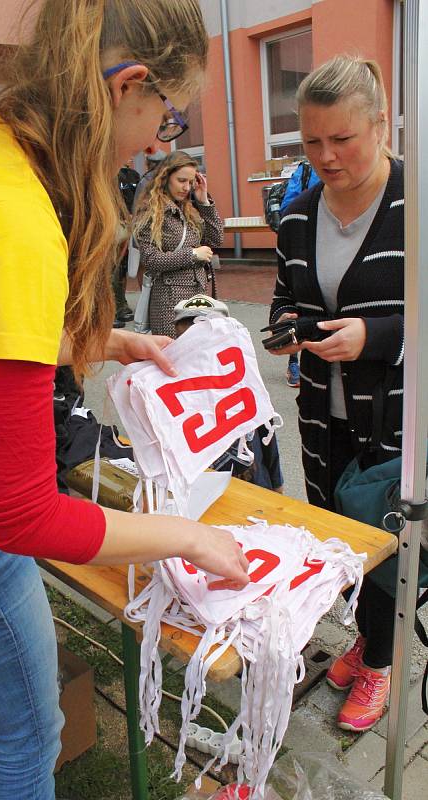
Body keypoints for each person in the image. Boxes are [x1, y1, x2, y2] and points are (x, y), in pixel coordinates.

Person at [0, 3, 250, 798]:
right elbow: (24, 517)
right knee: (27, 732)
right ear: (128, 88)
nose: (162, 140)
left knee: (10, 719)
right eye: (168, 113)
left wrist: (99, 343)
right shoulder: (10, 220)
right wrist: (184, 537)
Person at [268, 55, 404, 733]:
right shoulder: (296, 217)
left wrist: (377, 336)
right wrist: (287, 333)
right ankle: (363, 639)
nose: (324, 156)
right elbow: (283, 305)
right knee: (339, 542)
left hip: (401, 427)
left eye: (341, 139)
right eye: (310, 142)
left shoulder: (417, 206)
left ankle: (380, 663)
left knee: (389, 547)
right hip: (322, 420)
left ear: (379, 124)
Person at [174, 295, 284, 493]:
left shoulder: (244, 382)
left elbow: (267, 434)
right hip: (202, 492)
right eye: (189, 341)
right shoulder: (174, 394)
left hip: (256, 488)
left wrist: (277, 484)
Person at [134, 149, 223, 337]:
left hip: (198, 298)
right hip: (169, 302)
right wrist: (192, 255)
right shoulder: (150, 210)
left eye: (191, 182)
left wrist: (204, 201)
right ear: (166, 177)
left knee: (196, 357)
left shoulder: (189, 208)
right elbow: (150, 259)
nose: (187, 187)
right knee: (173, 358)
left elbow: (216, 239)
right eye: (181, 181)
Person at [279, 160, 321, 389]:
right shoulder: (305, 171)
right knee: (298, 307)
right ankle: (294, 363)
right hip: (305, 248)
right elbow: (287, 208)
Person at [112, 160, 141, 327]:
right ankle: (112, 308)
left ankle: (121, 305)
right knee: (111, 268)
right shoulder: (110, 174)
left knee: (123, 267)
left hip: (131, 224)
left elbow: (138, 198)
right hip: (115, 223)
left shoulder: (134, 176)